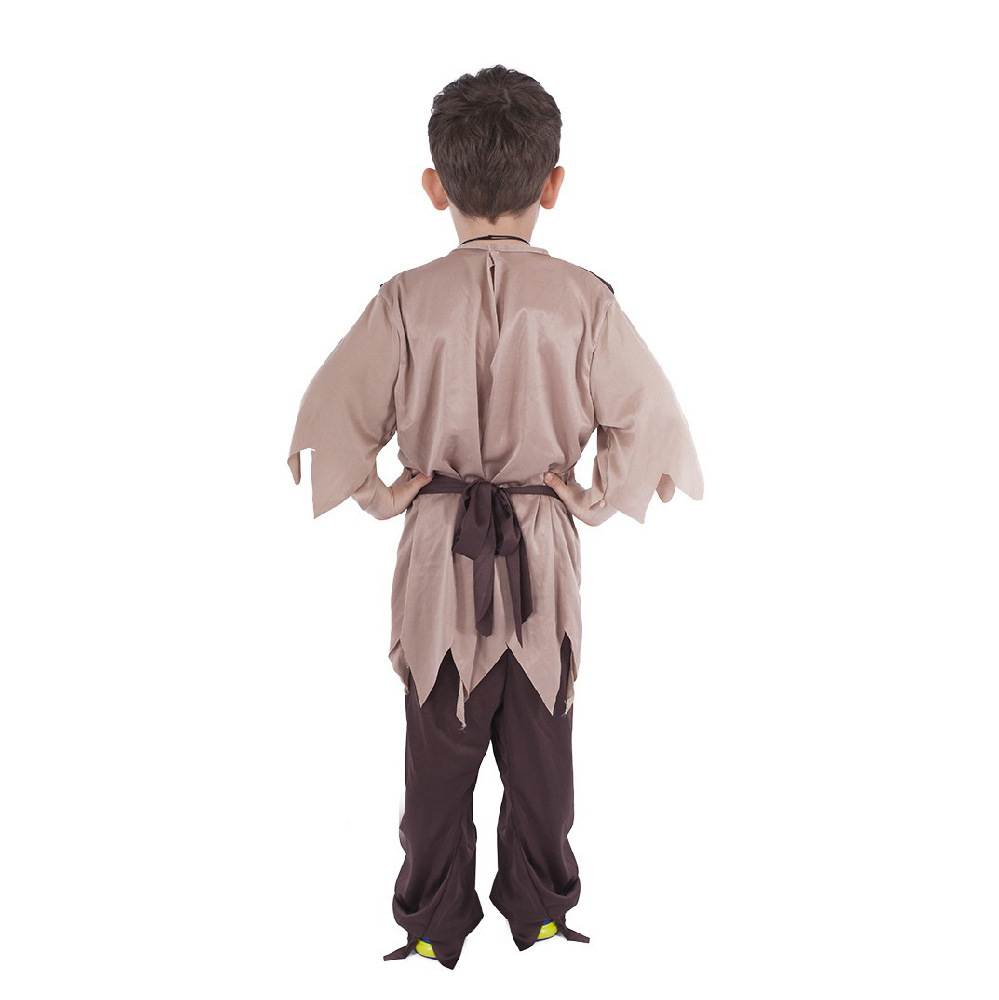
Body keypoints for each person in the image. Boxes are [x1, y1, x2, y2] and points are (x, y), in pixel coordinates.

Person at [286, 64, 704, 970]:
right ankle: (541, 913)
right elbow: (652, 419)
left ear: (435, 186)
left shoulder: (403, 299)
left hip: (439, 552)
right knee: (542, 748)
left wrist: (387, 495)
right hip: (540, 553)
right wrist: (589, 499)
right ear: (552, 185)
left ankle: (431, 925)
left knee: (437, 754)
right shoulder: (586, 300)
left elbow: (332, 413)